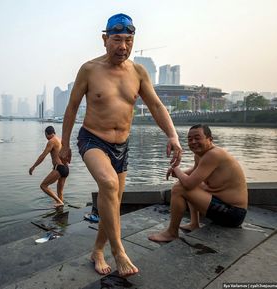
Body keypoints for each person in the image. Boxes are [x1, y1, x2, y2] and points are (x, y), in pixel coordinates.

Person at [59, 13, 182, 277]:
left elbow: (156, 105)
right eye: (116, 39)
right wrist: (64, 145)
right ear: (105, 40)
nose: (123, 46)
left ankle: (98, 250)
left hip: (122, 145)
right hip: (92, 138)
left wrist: (172, 135)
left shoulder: (138, 72)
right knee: (109, 185)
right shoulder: (89, 69)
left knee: (112, 202)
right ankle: (120, 252)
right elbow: (71, 108)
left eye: (128, 40)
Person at [148, 124, 248, 242]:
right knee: (193, 185)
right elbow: (194, 173)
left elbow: (188, 184)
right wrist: (179, 173)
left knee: (179, 188)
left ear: (210, 139)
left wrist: (176, 169)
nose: (193, 142)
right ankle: (194, 224)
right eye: (190, 139)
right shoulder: (201, 155)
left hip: (233, 213)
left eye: (197, 138)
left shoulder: (213, 154)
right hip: (223, 205)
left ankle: (172, 233)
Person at [29, 126, 69, 207]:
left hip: (59, 168)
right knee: (60, 192)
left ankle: (59, 202)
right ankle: (60, 212)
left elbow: (43, 156)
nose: (46, 137)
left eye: (45, 135)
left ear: (47, 134)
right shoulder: (60, 140)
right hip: (66, 168)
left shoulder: (51, 141)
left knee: (43, 186)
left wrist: (33, 166)